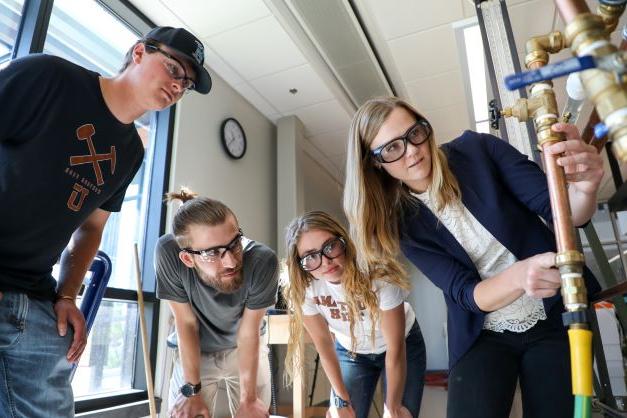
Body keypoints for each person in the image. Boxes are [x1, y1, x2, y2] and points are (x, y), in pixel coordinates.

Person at [343, 97, 603, 418]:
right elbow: (466, 294)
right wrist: (520, 276)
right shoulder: (402, 223)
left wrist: (586, 189)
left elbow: (565, 213)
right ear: (375, 163)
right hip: (482, 331)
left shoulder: (478, 151)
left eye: (414, 134)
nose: (411, 150)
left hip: (553, 311)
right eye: (392, 149)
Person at [0, 26, 211, 417]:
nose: (179, 86)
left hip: (33, 297)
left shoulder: (131, 151)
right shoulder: (47, 77)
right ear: (138, 53)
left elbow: (91, 228)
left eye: (187, 84)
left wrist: (66, 295)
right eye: (173, 68)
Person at [282, 211, 425, 418]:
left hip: (401, 345)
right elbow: (323, 343)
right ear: (300, 264)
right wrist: (340, 398)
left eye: (330, 246)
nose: (326, 261)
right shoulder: (305, 288)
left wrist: (392, 407)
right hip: (351, 351)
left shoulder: (378, 274)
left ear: (343, 241)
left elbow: (396, 348)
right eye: (311, 256)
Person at [155, 189, 278, 418]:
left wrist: (249, 399)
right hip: (195, 348)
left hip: (245, 346)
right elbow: (186, 323)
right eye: (213, 253)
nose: (231, 261)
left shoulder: (263, 261)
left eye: (234, 243)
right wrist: (192, 391)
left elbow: (249, 332)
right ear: (188, 258)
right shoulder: (168, 253)